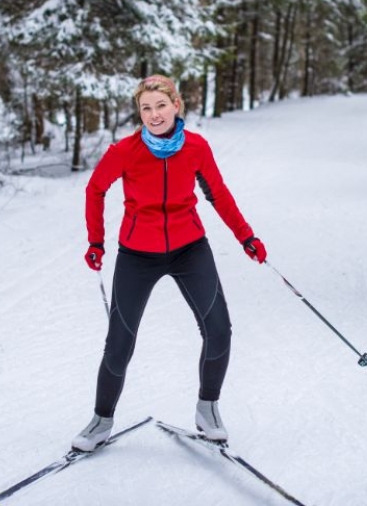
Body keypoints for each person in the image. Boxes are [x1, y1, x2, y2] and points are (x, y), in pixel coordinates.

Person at [72, 74, 267, 452]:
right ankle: (101, 421)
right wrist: (96, 240)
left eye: (161, 105)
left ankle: (207, 409)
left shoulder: (195, 147)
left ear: (176, 105)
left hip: (189, 248)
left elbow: (218, 194)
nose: (154, 114)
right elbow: (95, 189)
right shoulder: (124, 151)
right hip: (136, 255)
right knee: (119, 342)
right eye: (146, 108)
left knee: (219, 329)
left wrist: (246, 236)